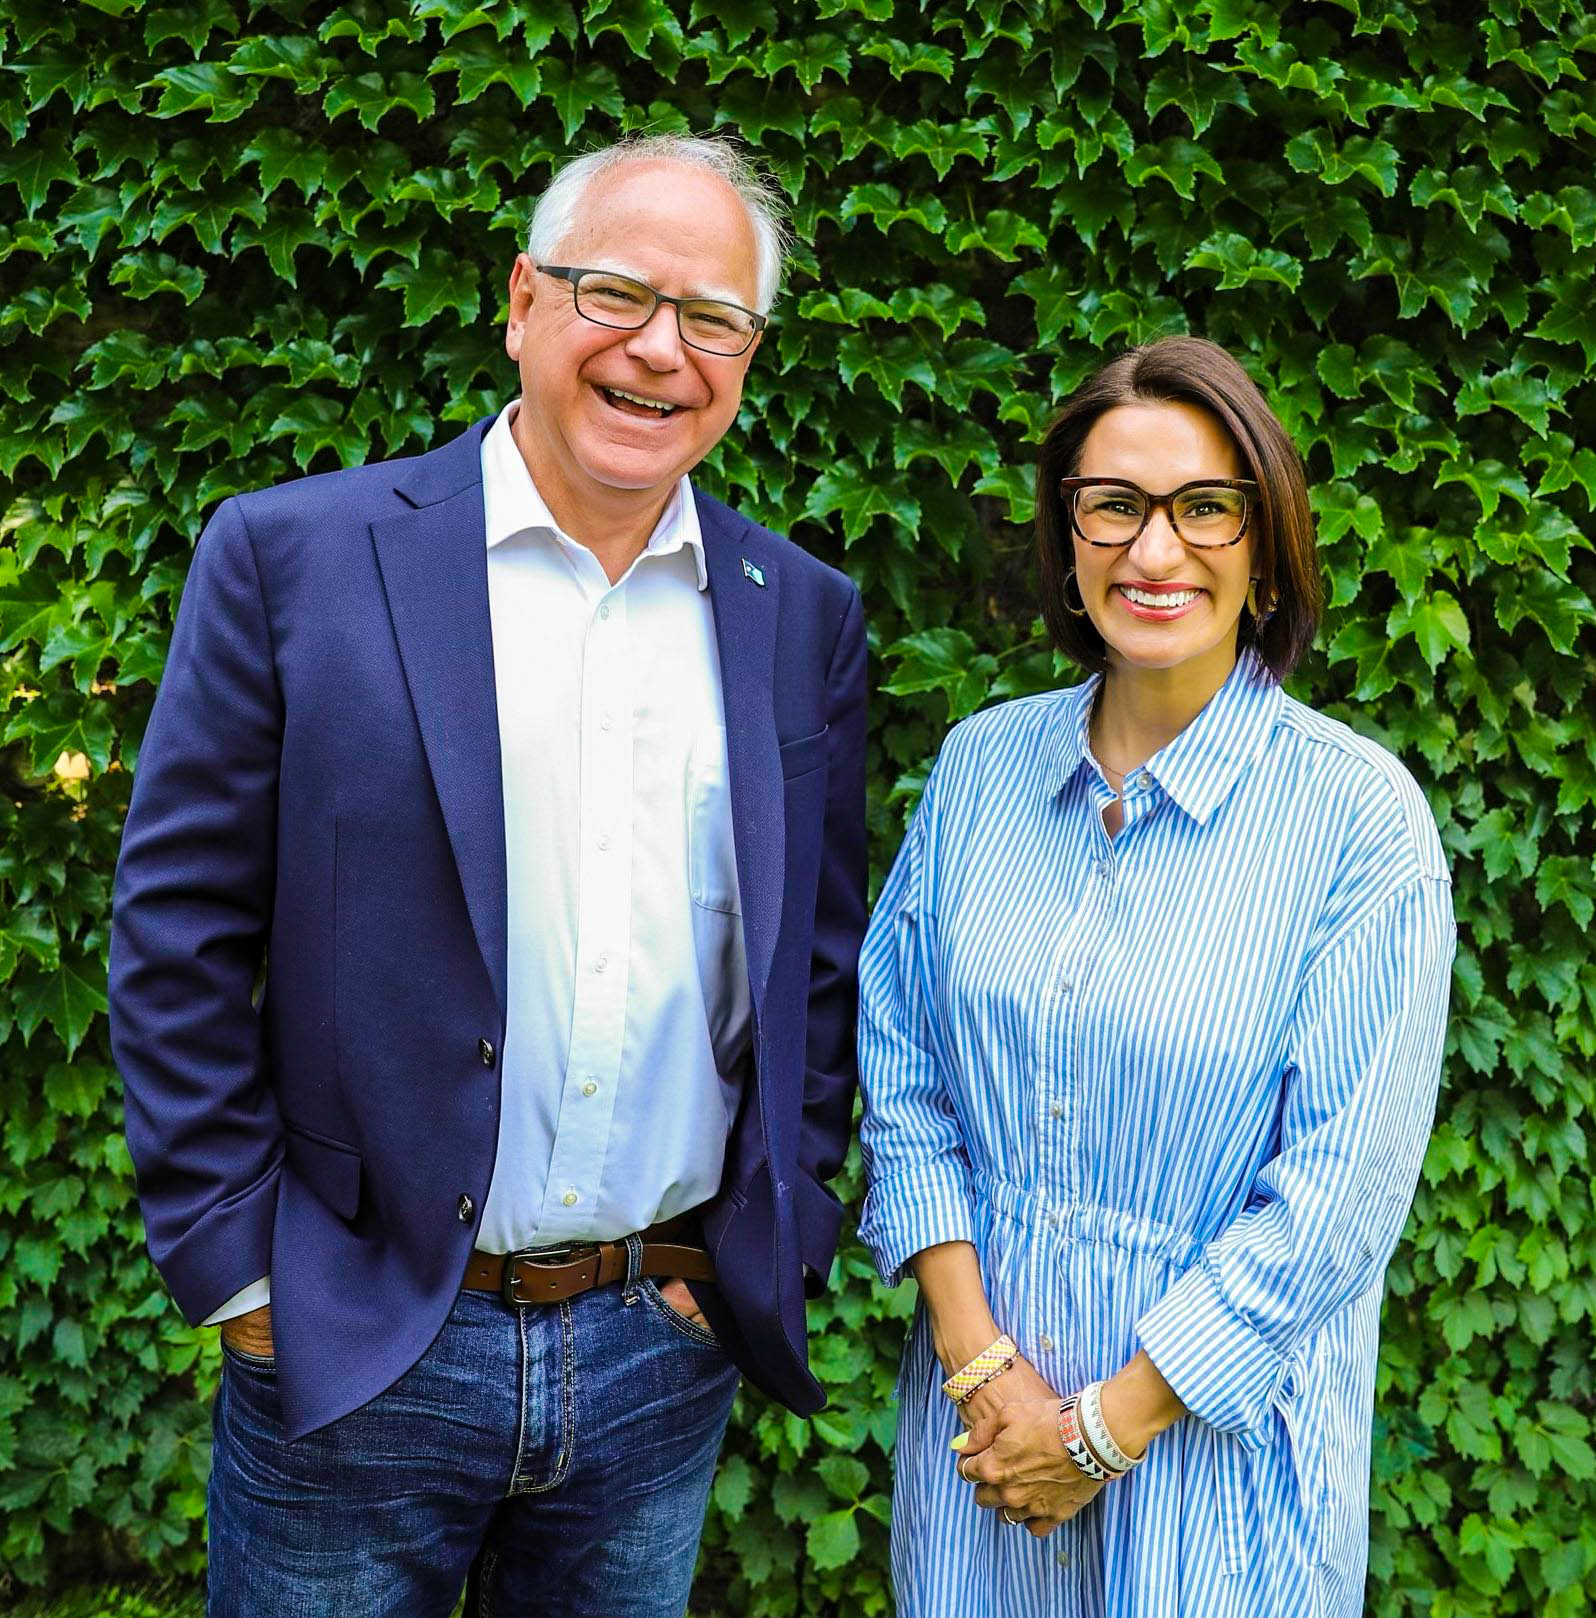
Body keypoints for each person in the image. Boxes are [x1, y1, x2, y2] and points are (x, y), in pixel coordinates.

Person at [108, 133, 867, 1618]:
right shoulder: (292, 558)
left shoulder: (802, 615)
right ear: (522, 299)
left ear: (749, 355)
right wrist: (240, 1276)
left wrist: (776, 1235)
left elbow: (813, 966)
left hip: (657, 1348)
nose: (661, 349)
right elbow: (177, 926)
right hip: (358, 1343)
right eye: (614, 293)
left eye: (712, 319)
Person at [857, 335, 1454, 1617]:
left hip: (1215, 1487)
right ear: (1068, 536)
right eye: (1113, 504)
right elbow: (902, 1075)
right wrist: (980, 1372)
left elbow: (1332, 1205)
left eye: (1204, 506)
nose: (1154, 549)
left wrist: (1100, 1431)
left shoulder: (1358, 820)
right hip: (981, 1464)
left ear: (1267, 539)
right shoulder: (977, 771)